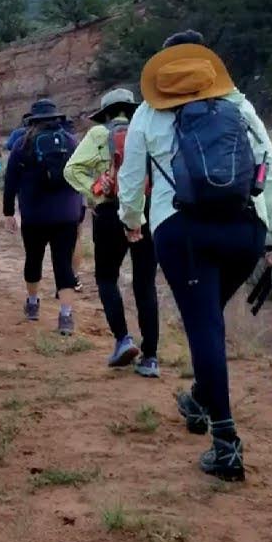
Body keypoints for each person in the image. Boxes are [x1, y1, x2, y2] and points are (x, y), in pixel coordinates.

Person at [117, 30, 272, 482]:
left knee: (203, 325)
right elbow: (269, 172)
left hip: (183, 231)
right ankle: (198, 398)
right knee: (208, 318)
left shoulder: (147, 114)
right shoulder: (239, 105)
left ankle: (225, 443)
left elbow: (132, 177)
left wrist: (131, 220)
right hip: (244, 230)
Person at [63, 88, 160, 378]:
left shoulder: (97, 136)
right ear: (131, 110)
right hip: (146, 212)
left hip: (109, 214)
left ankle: (123, 340)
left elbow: (71, 170)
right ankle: (151, 357)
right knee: (145, 284)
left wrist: (93, 193)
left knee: (106, 278)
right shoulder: (148, 130)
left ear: (104, 114)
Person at [2, 99, 82, 335]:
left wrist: (9, 212)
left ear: (33, 120)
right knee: (63, 265)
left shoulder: (22, 144)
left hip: (34, 214)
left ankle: (33, 303)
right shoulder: (71, 142)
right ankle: (66, 316)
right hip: (67, 214)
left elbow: (10, 181)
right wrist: (80, 211)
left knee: (33, 258)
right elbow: (80, 175)